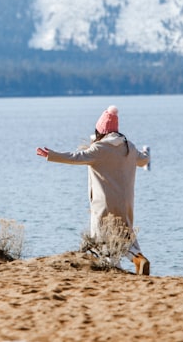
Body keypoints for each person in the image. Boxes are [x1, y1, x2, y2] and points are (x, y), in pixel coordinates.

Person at [36, 105, 151, 274]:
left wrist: (51, 155)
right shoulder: (130, 147)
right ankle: (138, 259)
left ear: (100, 131)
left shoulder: (99, 149)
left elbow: (76, 157)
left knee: (101, 237)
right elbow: (143, 161)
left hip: (103, 204)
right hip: (126, 203)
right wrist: (146, 153)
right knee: (125, 235)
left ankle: (113, 268)